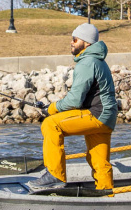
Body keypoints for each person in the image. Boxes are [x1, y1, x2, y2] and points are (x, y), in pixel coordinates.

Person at [28, 23, 118, 192]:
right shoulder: (99, 61)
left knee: (50, 124)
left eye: (75, 39)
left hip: (97, 115)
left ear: (87, 43)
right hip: (107, 118)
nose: (71, 42)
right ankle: (106, 195)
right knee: (99, 162)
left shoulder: (87, 62)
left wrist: (52, 108)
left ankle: (55, 175)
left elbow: (75, 100)